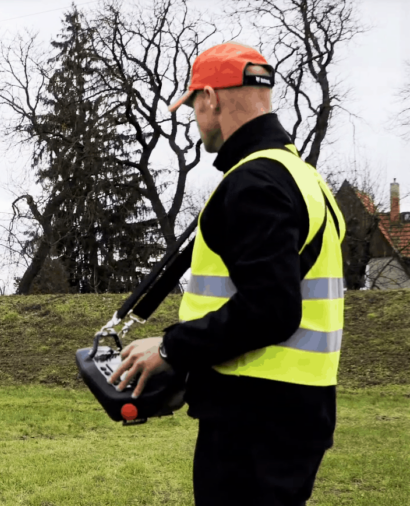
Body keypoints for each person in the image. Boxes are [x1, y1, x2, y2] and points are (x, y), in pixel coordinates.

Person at [108, 42, 345, 506]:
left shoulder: (255, 182)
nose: (195, 116)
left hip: (252, 421)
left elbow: (271, 310)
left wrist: (171, 346)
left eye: (195, 103)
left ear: (211, 98)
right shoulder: (303, 177)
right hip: (295, 413)